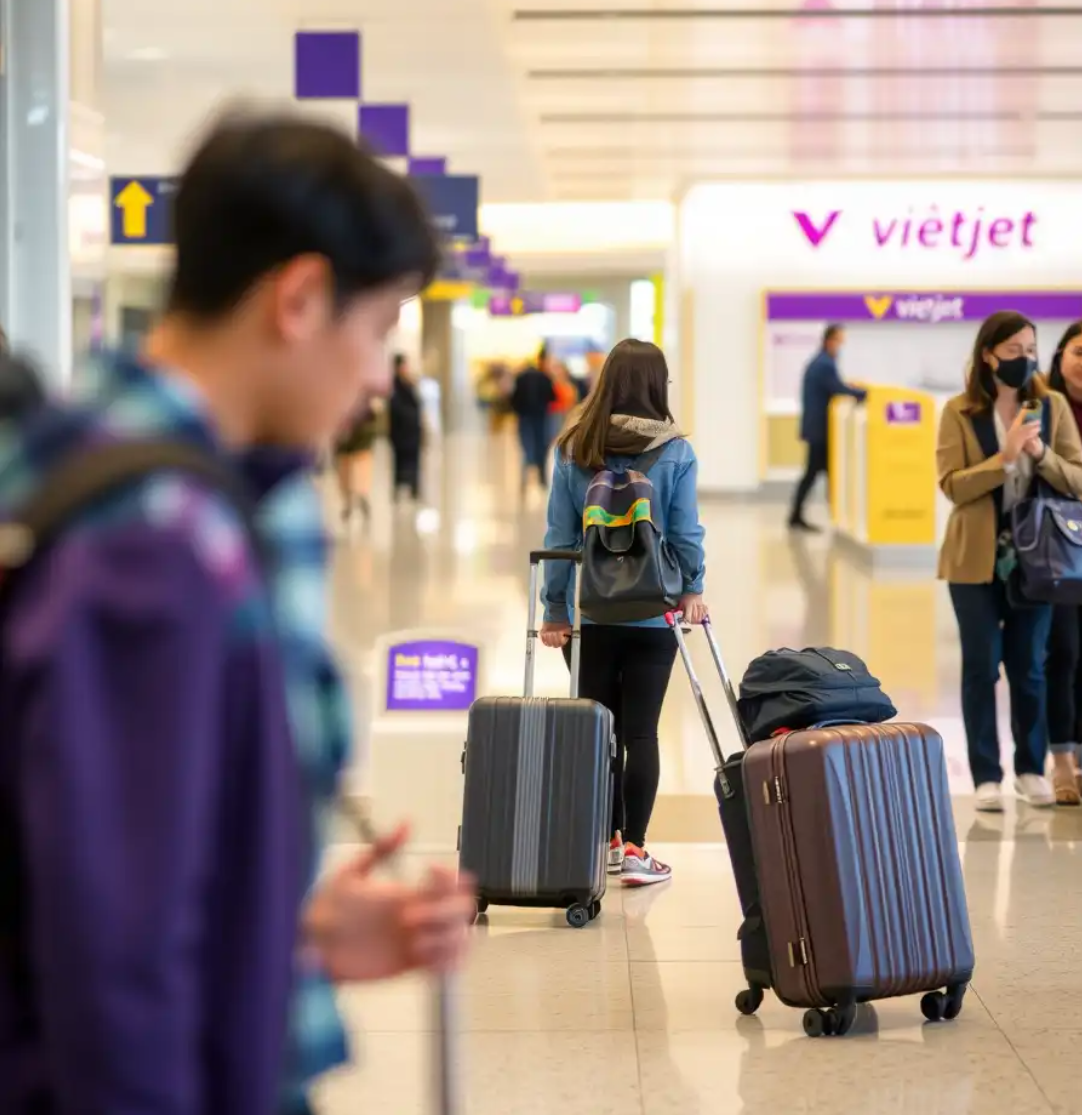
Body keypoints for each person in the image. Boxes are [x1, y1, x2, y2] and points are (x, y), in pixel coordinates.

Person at [0, 112, 475, 1115]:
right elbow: (119, 964)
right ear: (299, 298)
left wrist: (290, 933)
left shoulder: (110, 468)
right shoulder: (156, 543)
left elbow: (130, 866)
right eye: (379, 327)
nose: (381, 374)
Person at [539, 338, 706, 886]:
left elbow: (561, 538)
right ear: (659, 387)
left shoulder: (574, 445)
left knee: (598, 733)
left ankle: (606, 843)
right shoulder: (676, 451)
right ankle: (636, 850)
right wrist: (692, 588)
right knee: (641, 734)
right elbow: (684, 533)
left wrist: (556, 610)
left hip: (593, 617)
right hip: (653, 612)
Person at [937, 310, 1082, 813]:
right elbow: (952, 484)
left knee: (1030, 668)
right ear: (988, 355)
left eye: (1031, 350)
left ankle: (1029, 767)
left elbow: (1077, 478)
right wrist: (1002, 460)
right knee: (981, 665)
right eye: (1014, 351)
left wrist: (1039, 453)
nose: (1025, 360)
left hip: (1038, 560)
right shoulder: (959, 410)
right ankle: (985, 774)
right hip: (972, 561)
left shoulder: (1053, 405)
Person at [1044, 321, 1082, 805]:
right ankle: (1062, 761)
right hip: (1058, 545)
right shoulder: (1044, 406)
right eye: (1078, 351)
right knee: (1064, 653)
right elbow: (1032, 472)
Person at [789, 324, 867, 531]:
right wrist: (862, 394)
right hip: (819, 431)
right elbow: (837, 387)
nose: (840, 346)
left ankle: (815, 515)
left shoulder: (819, 362)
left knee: (820, 472)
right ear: (830, 340)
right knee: (817, 472)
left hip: (816, 428)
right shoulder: (824, 364)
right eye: (839, 341)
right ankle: (829, 515)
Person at [511, 345, 557, 488]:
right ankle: (542, 477)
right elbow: (552, 397)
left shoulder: (521, 377)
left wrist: (518, 410)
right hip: (541, 416)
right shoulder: (545, 378)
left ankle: (525, 475)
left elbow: (514, 399)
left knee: (526, 444)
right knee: (541, 444)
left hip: (524, 416)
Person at [333, 395, 381, 525]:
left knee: (360, 482)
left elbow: (370, 430)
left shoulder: (368, 411)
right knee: (347, 481)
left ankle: (362, 503)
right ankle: (349, 505)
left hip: (360, 451)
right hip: (347, 452)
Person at [388, 352, 424, 501]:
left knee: (414, 459)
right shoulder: (394, 385)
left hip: (412, 431)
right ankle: (399, 486)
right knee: (400, 460)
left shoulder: (409, 383)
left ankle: (413, 486)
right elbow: (395, 407)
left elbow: (418, 403)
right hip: (400, 431)